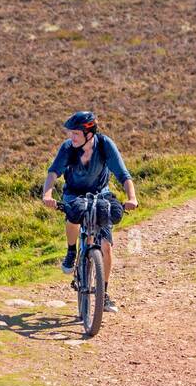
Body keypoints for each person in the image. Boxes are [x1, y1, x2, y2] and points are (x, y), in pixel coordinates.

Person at [42, 111, 138, 313]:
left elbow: (123, 174)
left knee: (106, 247)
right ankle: (71, 252)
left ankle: (103, 295)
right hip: (74, 193)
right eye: (71, 133)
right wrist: (47, 194)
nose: (71, 137)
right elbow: (53, 172)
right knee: (73, 215)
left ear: (89, 133)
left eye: (75, 133)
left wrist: (132, 198)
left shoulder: (104, 145)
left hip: (100, 194)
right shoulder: (68, 148)